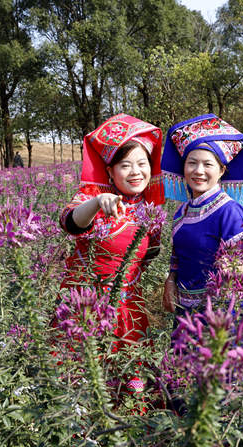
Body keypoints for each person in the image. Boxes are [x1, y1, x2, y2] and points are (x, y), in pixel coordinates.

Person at [59, 113, 165, 392]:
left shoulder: (150, 209)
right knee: (84, 380)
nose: (136, 172)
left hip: (129, 308)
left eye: (142, 164)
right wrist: (97, 202)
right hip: (85, 305)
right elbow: (70, 222)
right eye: (125, 165)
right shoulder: (94, 199)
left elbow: (151, 254)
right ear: (110, 171)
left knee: (132, 383)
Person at [160, 114, 243, 314]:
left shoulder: (230, 212)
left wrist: (236, 267)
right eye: (192, 163)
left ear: (222, 170)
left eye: (208, 164)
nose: (198, 171)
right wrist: (170, 280)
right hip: (186, 315)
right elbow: (177, 258)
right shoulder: (182, 212)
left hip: (223, 315)